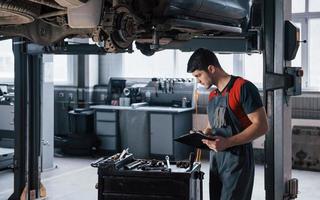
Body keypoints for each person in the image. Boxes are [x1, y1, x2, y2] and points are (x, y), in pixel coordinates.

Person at [187, 48, 269, 200]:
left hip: (237, 161)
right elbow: (213, 126)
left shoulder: (243, 88)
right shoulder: (213, 95)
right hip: (216, 161)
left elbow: (262, 126)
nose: (198, 81)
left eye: (199, 75)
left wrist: (228, 142)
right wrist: (202, 135)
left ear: (211, 69)